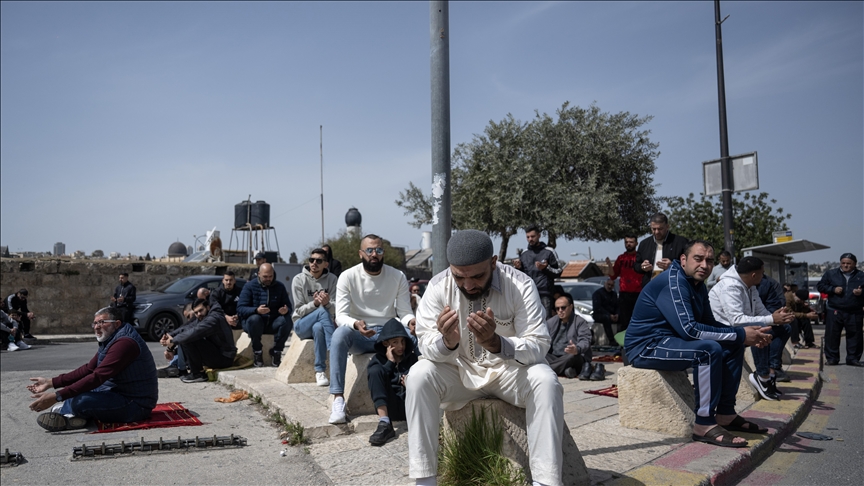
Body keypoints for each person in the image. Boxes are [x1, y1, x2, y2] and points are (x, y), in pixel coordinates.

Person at [408, 229, 563, 485]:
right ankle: (424, 480)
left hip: (508, 373)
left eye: (477, 276)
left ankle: (546, 481)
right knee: (418, 375)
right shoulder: (436, 287)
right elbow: (425, 345)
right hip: (459, 374)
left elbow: (539, 345)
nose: (468, 285)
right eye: (459, 277)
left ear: (493, 263)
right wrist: (446, 342)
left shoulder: (520, 284)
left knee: (545, 380)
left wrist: (496, 343)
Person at [625, 240, 774, 448]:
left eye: (710, 261)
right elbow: (690, 330)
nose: (705, 265)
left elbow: (709, 324)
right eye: (698, 259)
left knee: (732, 345)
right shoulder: (674, 282)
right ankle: (703, 424)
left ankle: (725, 414)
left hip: (672, 341)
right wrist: (740, 334)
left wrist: (750, 334)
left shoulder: (697, 285)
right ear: (683, 260)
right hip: (646, 346)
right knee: (708, 350)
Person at [328, 234, 416, 424]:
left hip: (388, 335)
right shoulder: (347, 276)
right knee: (339, 335)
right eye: (369, 250)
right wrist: (355, 324)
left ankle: (417, 387)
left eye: (378, 250)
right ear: (361, 253)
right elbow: (340, 316)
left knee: (415, 335)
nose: (374, 254)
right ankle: (338, 399)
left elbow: (404, 312)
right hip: (361, 334)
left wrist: (411, 321)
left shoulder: (397, 276)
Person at [27, 307, 158, 431]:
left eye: (102, 322)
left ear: (117, 324)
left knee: (81, 401)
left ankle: (69, 414)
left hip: (136, 405)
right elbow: (89, 369)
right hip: (115, 393)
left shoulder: (125, 343)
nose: (96, 327)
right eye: (95, 323)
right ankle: (71, 413)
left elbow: (97, 377)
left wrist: (57, 396)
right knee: (78, 391)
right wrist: (51, 382)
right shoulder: (111, 338)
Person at [708, 257, 794, 400]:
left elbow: (761, 312)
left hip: (740, 330)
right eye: (762, 273)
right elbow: (736, 320)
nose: (764, 276)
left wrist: (778, 318)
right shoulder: (730, 286)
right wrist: (771, 319)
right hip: (724, 332)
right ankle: (762, 375)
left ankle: (771, 371)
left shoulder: (750, 286)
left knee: (784, 329)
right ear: (754, 275)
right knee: (760, 331)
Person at [366, 318, 418, 446]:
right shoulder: (378, 360)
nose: (401, 346)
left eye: (403, 341)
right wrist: (390, 363)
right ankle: (384, 423)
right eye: (395, 342)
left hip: (409, 407)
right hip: (390, 408)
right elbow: (377, 381)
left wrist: (410, 383)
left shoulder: (412, 358)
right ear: (386, 343)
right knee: (375, 371)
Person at [292, 248, 339, 387]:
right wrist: (316, 303)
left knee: (318, 327)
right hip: (301, 324)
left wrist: (327, 303)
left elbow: (337, 307)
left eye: (319, 261)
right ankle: (333, 347)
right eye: (312, 260)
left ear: (326, 264)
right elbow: (299, 310)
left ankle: (320, 371)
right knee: (321, 311)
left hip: (321, 325)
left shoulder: (332, 279)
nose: (314, 263)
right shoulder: (299, 279)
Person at [161, 298, 236, 383]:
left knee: (189, 338)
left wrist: (173, 341)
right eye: (196, 312)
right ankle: (186, 369)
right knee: (185, 336)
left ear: (207, 307)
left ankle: (198, 374)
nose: (199, 314)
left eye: (201, 310)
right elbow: (186, 328)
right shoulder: (203, 318)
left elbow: (195, 331)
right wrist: (170, 336)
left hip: (225, 358)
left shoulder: (213, 318)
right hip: (217, 353)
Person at [238, 263, 293, 368]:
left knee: (287, 321)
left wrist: (285, 310)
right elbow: (240, 308)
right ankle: (257, 351)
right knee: (255, 319)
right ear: (259, 274)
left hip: (272, 322)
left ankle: (277, 351)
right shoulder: (249, 286)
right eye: (265, 276)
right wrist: (256, 310)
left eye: (270, 276)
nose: (268, 279)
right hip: (254, 324)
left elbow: (289, 307)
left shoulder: (280, 287)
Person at [817, 253, 864, 367]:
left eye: (849, 263)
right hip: (835, 310)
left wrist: (861, 292)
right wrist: (833, 289)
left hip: (854, 311)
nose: (846, 265)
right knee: (832, 335)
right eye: (843, 263)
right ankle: (832, 358)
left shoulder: (861, 276)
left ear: (854, 264)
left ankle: (853, 358)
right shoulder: (831, 274)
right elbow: (821, 286)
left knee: (855, 336)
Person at [512, 224, 562, 318]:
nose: (530, 239)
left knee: (546, 321)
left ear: (539, 235)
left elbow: (559, 271)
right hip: (528, 295)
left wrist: (545, 268)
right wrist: (518, 268)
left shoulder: (549, 251)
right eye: (528, 237)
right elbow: (520, 276)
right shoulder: (524, 254)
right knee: (529, 321)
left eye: (532, 236)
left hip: (545, 294)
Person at [545, 294, 594, 380]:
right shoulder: (551, 322)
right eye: (557, 308)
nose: (560, 311)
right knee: (540, 355)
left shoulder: (580, 322)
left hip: (573, 355)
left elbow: (585, 339)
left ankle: (546, 370)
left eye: (563, 308)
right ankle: (566, 370)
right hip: (554, 357)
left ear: (571, 307)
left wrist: (577, 348)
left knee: (572, 356)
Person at [633, 213, 689, 287]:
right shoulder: (644, 244)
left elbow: (689, 265)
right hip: (650, 287)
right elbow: (636, 265)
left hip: (672, 286)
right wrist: (642, 267)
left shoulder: (681, 242)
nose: (657, 232)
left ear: (667, 227)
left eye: (660, 229)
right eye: (654, 229)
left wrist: (672, 266)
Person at [756, 273, 793, 383]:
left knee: (785, 327)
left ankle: (773, 367)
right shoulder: (737, 284)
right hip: (743, 325)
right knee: (759, 331)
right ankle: (763, 374)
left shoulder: (768, 283)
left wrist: (775, 316)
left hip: (762, 318)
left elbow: (777, 303)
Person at [607, 235, 643, 335]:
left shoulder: (640, 257)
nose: (628, 244)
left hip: (638, 293)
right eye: (626, 242)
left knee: (638, 320)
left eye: (631, 242)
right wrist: (609, 265)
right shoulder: (621, 258)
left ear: (636, 243)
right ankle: (624, 342)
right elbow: (613, 276)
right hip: (624, 294)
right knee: (624, 321)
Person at [592, 279, 620, 348]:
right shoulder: (598, 293)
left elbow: (617, 306)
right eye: (608, 284)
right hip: (599, 314)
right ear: (605, 284)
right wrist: (609, 315)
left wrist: (617, 314)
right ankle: (611, 340)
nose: (610, 286)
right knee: (606, 318)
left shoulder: (614, 294)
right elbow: (597, 307)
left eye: (612, 285)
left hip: (612, 314)